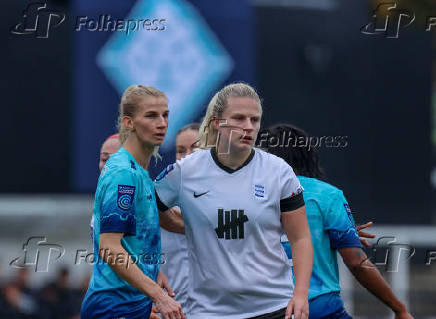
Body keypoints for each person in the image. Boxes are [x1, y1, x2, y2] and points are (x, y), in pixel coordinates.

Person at [155, 83, 313, 319]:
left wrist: (300, 294)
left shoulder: (278, 171)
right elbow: (147, 211)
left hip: (273, 307)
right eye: (239, 118)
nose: (248, 127)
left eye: (255, 120)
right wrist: (179, 229)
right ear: (217, 122)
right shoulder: (185, 171)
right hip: (208, 311)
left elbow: (300, 238)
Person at [261, 124, 414, 319]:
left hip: (266, 309)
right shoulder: (326, 195)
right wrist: (399, 308)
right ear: (307, 156)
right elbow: (356, 262)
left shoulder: (248, 198)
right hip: (319, 308)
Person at [81, 85, 185, 319]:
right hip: (114, 305)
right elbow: (110, 247)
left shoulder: (139, 172)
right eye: (151, 115)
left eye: (165, 115)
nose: (162, 123)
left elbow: (170, 222)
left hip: (130, 303)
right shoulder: (124, 174)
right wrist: (159, 295)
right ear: (128, 123)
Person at [151, 123, 200, 319]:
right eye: (180, 150)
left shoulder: (225, 202)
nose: (187, 155)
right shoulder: (155, 202)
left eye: (195, 149)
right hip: (171, 311)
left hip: (215, 310)